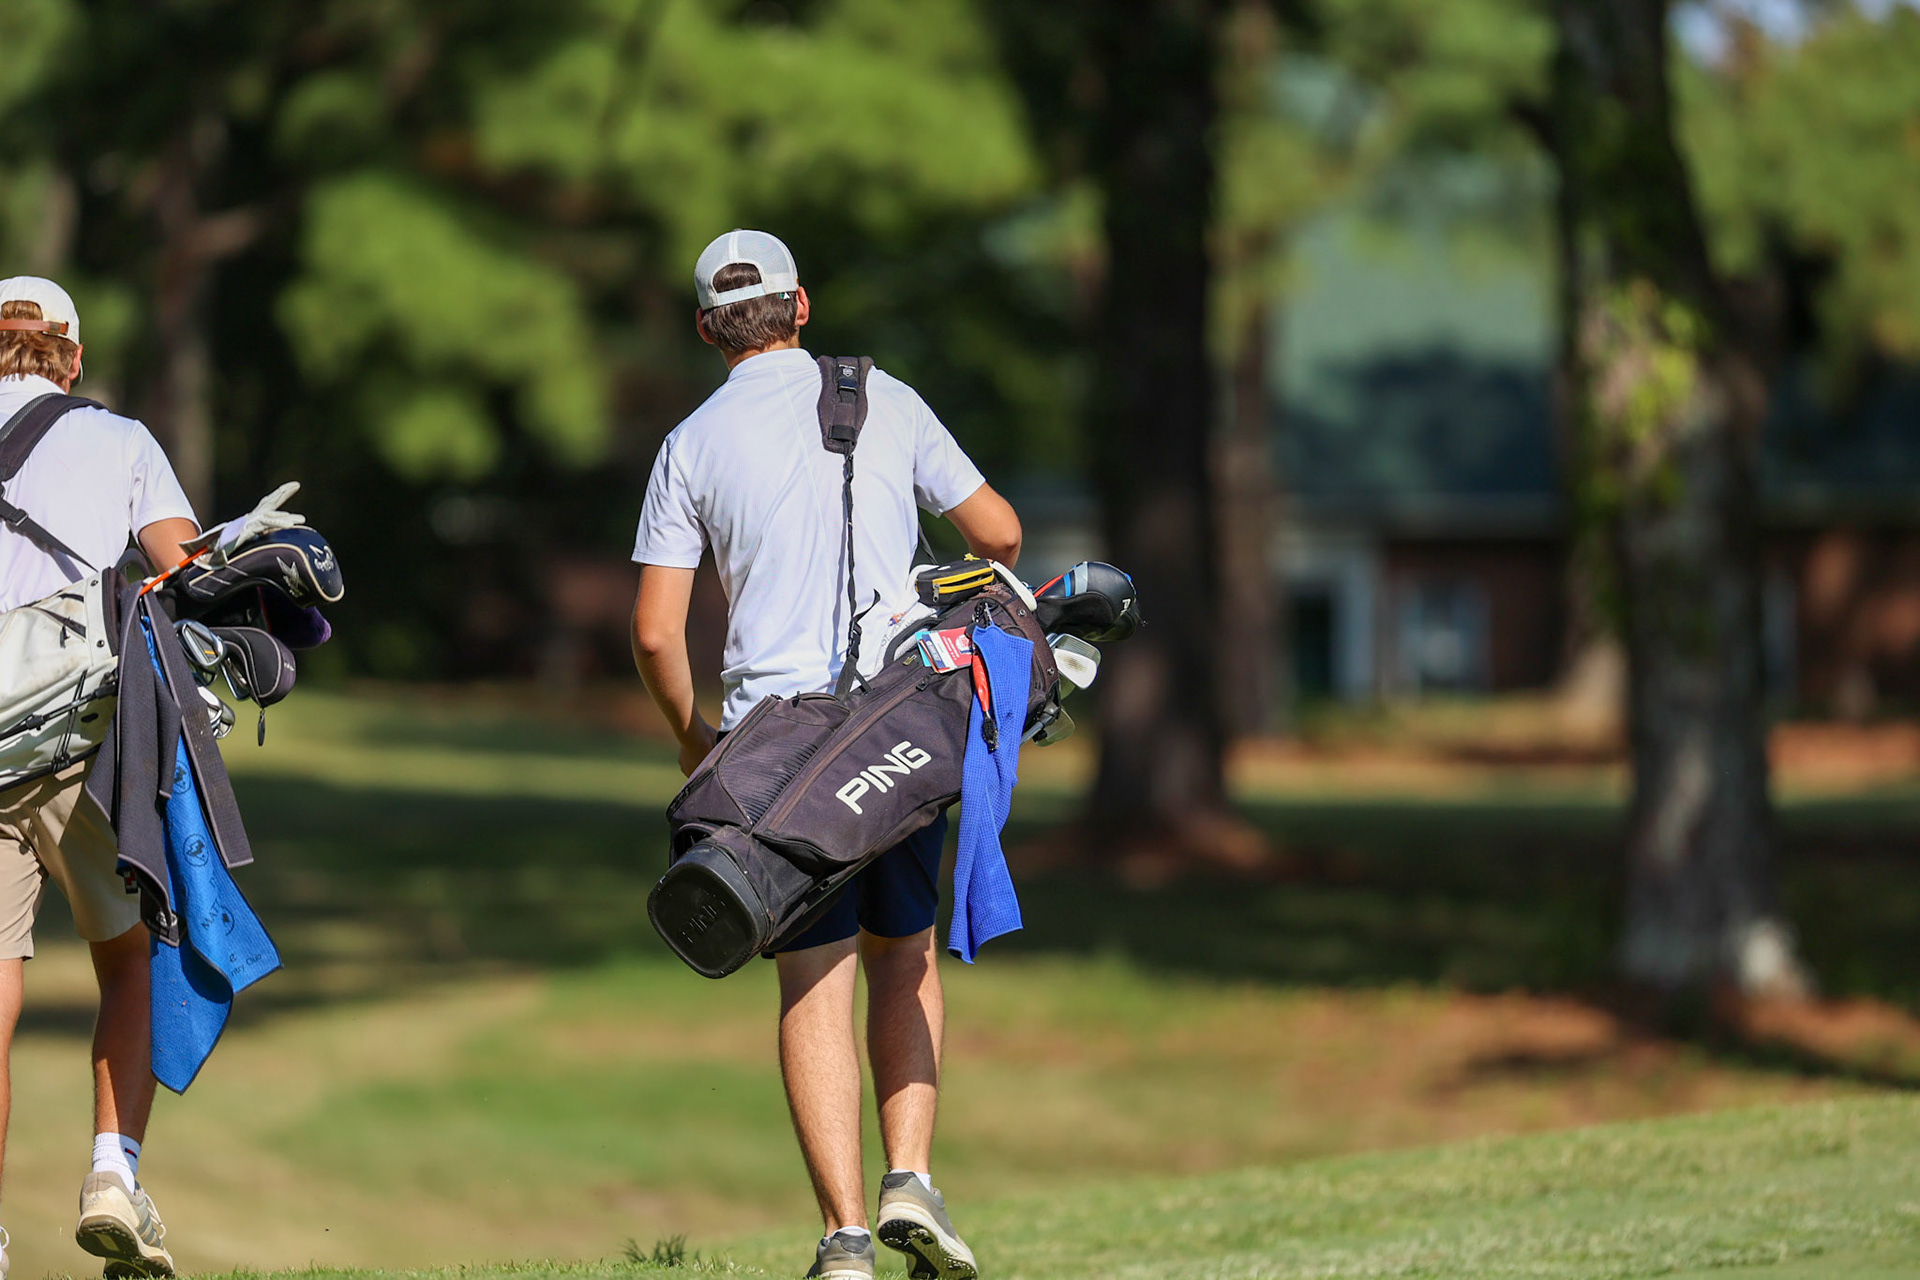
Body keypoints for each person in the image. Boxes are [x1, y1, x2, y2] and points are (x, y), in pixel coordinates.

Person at [631, 231, 1020, 1280]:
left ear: (709, 327)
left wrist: (690, 738)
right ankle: (913, 1177)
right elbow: (1001, 530)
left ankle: (846, 1235)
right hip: (898, 724)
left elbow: (659, 633)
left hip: (770, 753)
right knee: (908, 952)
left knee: (813, 981)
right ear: (801, 308)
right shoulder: (883, 396)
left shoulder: (689, 441)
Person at [0, 276, 197, 1279]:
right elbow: (183, 564)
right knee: (130, 958)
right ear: (69, 357)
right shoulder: (119, 438)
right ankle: (113, 1174)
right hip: (84, 742)